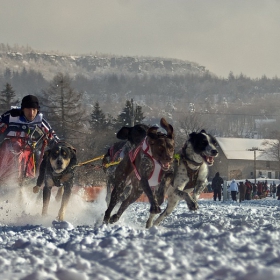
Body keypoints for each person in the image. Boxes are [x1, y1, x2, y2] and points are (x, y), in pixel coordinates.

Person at [0, 95, 58, 186]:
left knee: (42, 158)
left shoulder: (40, 121)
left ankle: (33, 182)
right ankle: (7, 180)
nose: (31, 113)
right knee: (15, 148)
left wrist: (57, 145)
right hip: (8, 148)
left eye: (34, 110)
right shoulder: (10, 116)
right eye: (28, 109)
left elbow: (52, 136)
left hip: (28, 150)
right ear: (23, 109)